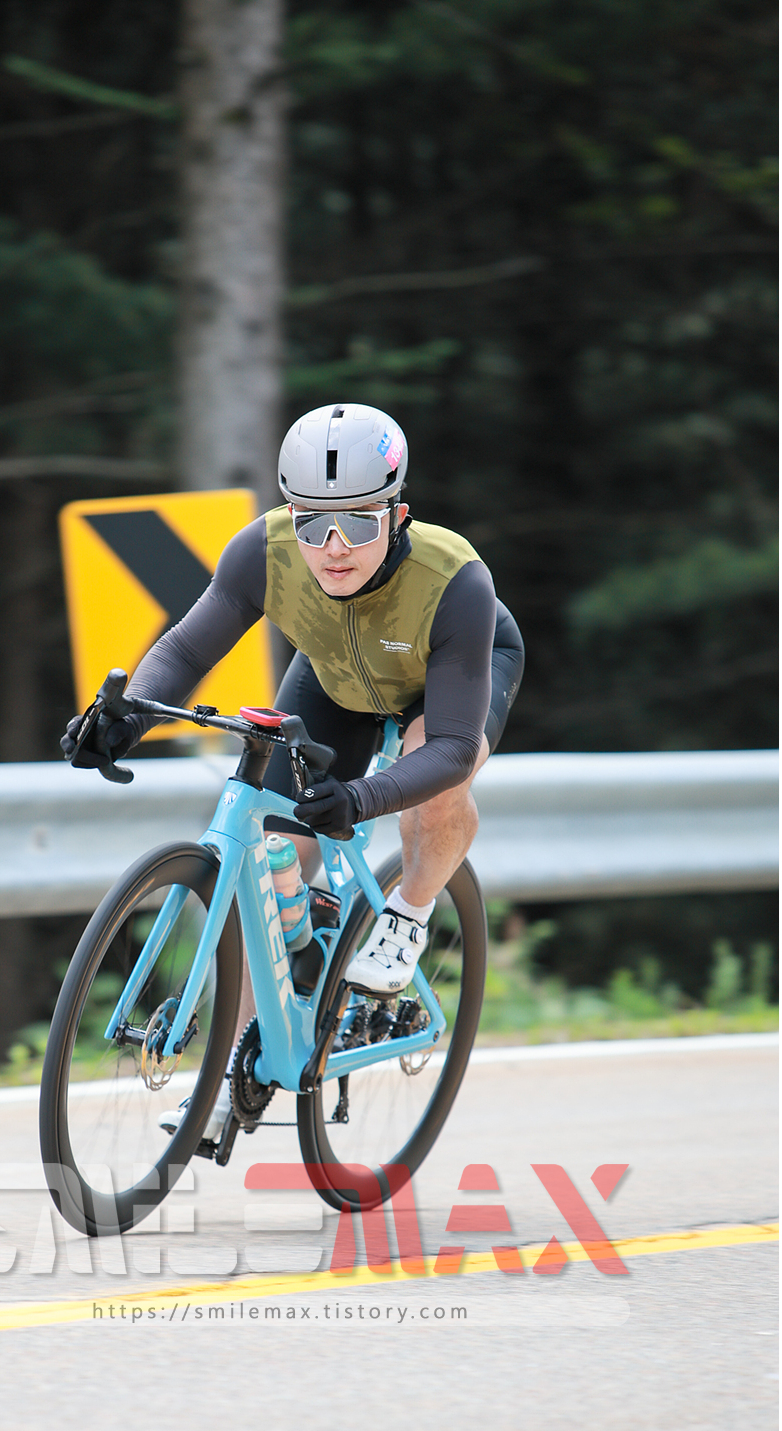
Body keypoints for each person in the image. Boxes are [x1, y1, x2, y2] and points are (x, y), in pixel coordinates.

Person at [62, 403, 524, 1148]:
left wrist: (360, 797)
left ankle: (408, 913)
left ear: (398, 514)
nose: (333, 547)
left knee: (436, 787)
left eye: (359, 525)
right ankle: (238, 1063)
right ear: (290, 515)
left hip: (450, 684)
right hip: (337, 679)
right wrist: (125, 718)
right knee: (270, 860)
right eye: (313, 523)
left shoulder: (456, 579)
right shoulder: (263, 551)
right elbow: (184, 650)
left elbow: (446, 747)